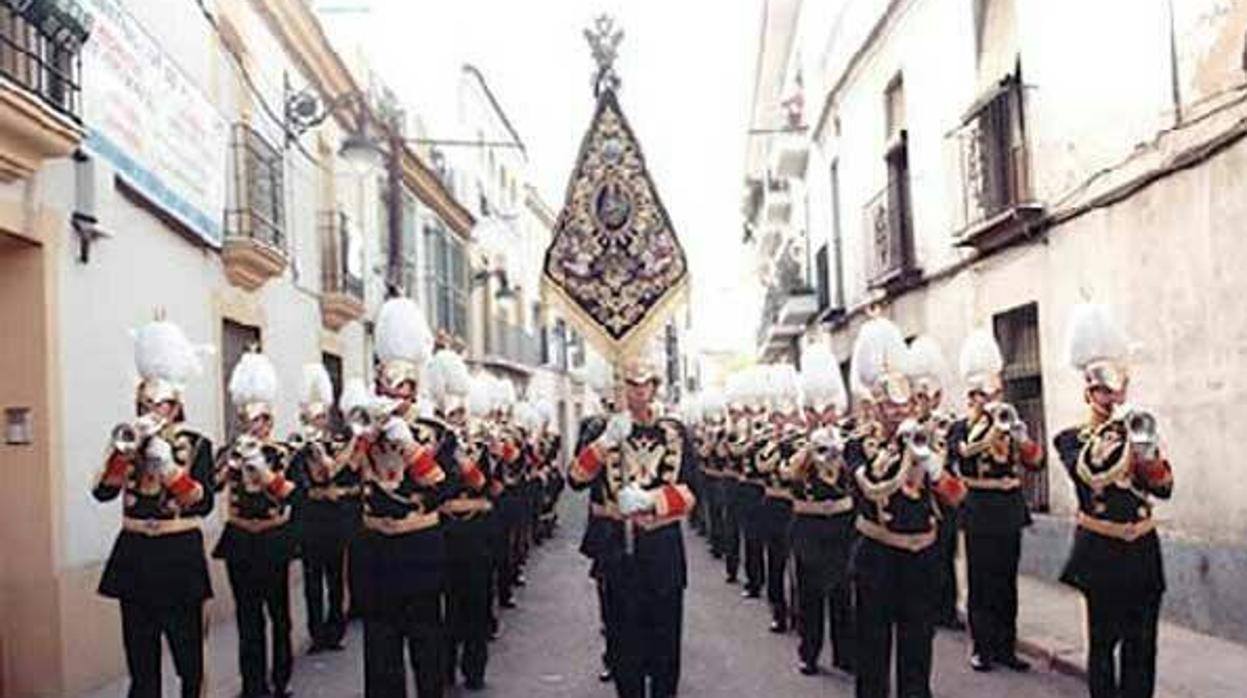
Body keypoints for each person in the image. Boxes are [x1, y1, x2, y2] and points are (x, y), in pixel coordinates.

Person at [1054, 304, 1172, 698]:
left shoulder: (1140, 430)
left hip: (1142, 550)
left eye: (1118, 388)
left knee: (1142, 649)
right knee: (1104, 647)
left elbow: (1164, 487)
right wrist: (1117, 437)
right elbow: (1088, 476)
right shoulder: (1071, 438)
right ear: (1089, 391)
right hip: (1101, 552)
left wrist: (1146, 449)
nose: (1113, 396)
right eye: (1104, 389)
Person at [94, 317, 215, 698]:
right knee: (141, 664)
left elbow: (204, 503)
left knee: (188, 661)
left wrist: (170, 469)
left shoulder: (197, 443)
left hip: (178, 555)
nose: (151, 411)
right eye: (145, 403)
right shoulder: (126, 441)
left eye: (159, 404)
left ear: (175, 405)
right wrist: (121, 455)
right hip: (134, 556)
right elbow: (102, 492)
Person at [849, 316, 966, 698]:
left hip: (922, 558)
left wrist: (931, 464)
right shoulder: (858, 445)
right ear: (876, 407)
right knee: (873, 652)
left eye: (904, 403)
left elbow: (955, 496)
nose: (898, 412)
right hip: (878, 556)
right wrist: (901, 457)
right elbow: (871, 489)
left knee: (918, 654)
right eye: (890, 405)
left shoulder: (931, 441)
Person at [569, 356, 697, 698]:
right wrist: (605, 443)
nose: (638, 393)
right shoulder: (599, 429)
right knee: (625, 644)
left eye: (644, 385)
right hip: (617, 549)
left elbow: (694, 491)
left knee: (665, 644)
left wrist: (650, 501)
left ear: (654, 387)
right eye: (630, 385)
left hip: (663, 549)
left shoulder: (675, 432)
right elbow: (575, 479)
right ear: (618, 388)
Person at [349, 297, 450, 698]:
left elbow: (443, 487)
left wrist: (410, 447)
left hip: (420, 545)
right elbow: (336, 477)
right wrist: (365, 436)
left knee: (427, 648)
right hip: (375, 548)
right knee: (379, 653)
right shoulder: (362, 429)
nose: (393, 396)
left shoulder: (435, 432)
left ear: (412, 390)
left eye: (400, 389)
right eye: (385, 388)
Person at [946, 329, 1044, 672]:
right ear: (972, 396)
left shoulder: (1010, 423)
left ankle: (1006, 646)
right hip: (978, 507)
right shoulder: (960, 428)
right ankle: (981, 647)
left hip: (1009, 506)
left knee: (1006, 582)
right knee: (981, 581)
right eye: (982, 395)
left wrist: (1021, 435)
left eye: (994, 393)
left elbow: (1035, 462)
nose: (990, 400)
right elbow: (956, 457)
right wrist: (982, 425)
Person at [214, 350, 299, 698]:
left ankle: (280, 680)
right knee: (247, 619)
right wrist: (233, 463)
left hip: (273, 537)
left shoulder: (282, 452)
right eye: (250, 422)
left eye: (262, 421)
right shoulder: (228, 451)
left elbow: (291, 493)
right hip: (239, 540)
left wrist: (262, 470)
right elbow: (214, 485)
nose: (256, 427)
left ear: (270, 421)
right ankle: (253, 686)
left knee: (278, 615)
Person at [785, 343, 856, 677]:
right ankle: (809, 652)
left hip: (841, 523)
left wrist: (839, 449)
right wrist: (811, 449)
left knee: (843, 591)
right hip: (808, 523)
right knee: (810, 592)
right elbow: (786, 475)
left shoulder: (851, 441)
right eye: (815, 409)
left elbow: (858, 476)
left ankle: (845, 653)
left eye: (828, 408)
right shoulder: (793, 442)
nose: (822, 415)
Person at [427, 349, 495, 691]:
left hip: (477, 538)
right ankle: (444, 668)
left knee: (476, 608)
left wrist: (471, 470)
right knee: (445, 610)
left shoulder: (483, 447)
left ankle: (475, 669)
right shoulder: (434, 450)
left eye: (459, 412)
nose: (456, 418)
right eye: (449, 413)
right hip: (444, 537)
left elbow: (493, 489)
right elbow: (430, 492)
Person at [292, 364, 360, 654]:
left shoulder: (341, 442)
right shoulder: (298, 445)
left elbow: (347, 472)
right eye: (311, 417)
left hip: (335, 516)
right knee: (311, 579)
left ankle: (336, 629)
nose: (316, 422)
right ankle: (315, 633)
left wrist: (355, 441)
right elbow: (307, 479)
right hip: (311, 515)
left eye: (320, 416)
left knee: (335, 577)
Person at [906, 336, 965, 632]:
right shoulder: (907, 427)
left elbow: (954, 459)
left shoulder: (947, 424)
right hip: (915, 499)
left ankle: (947, 608)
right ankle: (925, 605)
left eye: (926, 396)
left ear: (937, 397)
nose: (921, 402)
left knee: (945, 556)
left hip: (941, 500)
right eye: (916, 396)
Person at [758, 365, 800, 633]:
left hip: (796, 506)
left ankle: (799, 612)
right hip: (773, 505)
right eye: (779, 418)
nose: (784, 423)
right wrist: (776, 444)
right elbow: (762, 466)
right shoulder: (765, 442)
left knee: (800, 565)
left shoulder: (802, 442)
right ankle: (778, 610)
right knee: (775, 562)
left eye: (789, 417)